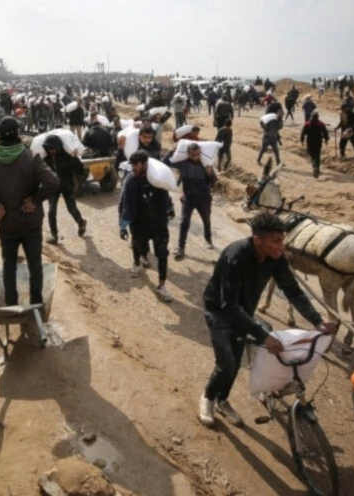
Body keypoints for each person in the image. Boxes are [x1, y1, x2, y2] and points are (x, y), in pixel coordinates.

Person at [198, 212, 335, 427]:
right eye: (276, 241)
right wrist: (263, 336)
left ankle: (222, 400)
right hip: (220, 312)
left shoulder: (276, 258)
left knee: (235, 361)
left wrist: (317, 321)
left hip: (244, 312)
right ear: (257, 240)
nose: (282, 247)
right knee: (226, 363)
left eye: (283, 240)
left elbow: (292, 290)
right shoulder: (235, 257)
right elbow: (229, 305)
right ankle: (207, 397)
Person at [0, 117, 59, 307]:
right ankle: (36, 305)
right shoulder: (31, 158)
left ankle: (11, 305)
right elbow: (53, 181)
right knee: (35, 264)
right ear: (18, 134)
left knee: (9, 266)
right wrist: (35, 199)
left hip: (6, 222)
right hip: (31, 222)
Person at [119, 150, 173, 301]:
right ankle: (137, 263)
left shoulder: (157, 178)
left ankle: (162, 285)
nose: (133, 168)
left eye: (135, 165)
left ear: (144, 164)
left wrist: (170, 208)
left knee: (162, 254)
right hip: (139, 223)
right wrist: (123, 225)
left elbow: (166, 193)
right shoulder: (130, 180)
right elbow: (124, 202)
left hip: (159, 223)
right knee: (138, 246)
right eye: (132, 165)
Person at [165, 143, 217, 260]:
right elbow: (166, 162)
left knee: (206, 220)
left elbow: (214, 181)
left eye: (197, 154)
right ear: (188, 154)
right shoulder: (183, 164)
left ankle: (208, 239)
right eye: (192, 154)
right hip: (188, 198)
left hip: (204, 198)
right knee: (184, 222)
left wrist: (210, 173)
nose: (195, 157)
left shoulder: (206, 164)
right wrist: (171, 151)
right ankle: (181, 247)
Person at [42, 135, 87, 245]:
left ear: (58, 147)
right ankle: (54, 235)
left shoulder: (68, 156)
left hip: (67, 185)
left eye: (53, 148)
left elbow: (80, 169)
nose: (51, 151)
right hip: (53, 187)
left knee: (71, 208)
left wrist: (75, 158)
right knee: (51, 211)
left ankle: (81, 222)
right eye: (49, 148)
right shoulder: (46, 158)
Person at [301, 111, 329, 178]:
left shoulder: (307, 124)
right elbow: (325, 132)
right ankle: (318, 169)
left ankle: (315, 167)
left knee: (312, 156)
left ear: (311, 116)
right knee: (317, 155)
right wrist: (326, 139)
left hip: (310, 141)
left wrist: (301, 140)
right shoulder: (321, 123)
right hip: (318, 141)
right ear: (318, 117)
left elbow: (303, 132)